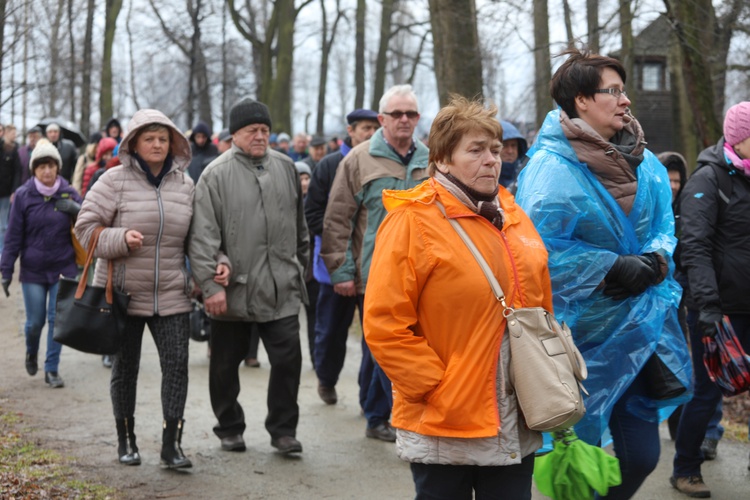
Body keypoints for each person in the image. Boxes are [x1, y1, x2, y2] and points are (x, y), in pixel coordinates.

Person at [514, 48, 691, 499]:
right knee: (577, 462)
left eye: (623, 89)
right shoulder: (550, 170)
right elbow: (536, 252)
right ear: (580, 101)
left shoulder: (646, 162)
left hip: (637, 333)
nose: (625, 100)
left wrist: (657, 258)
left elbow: (664, 225)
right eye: (611, 91)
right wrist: (610, 265)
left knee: (641, 457)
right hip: (577, 344)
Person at [364, 96, 549, 499]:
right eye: (476, 150)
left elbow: (539, 309)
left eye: (496, 150)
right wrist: (436, 387)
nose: (491, 160)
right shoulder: (413, 220)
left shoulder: (514, 218)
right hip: (446, 415)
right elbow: (384, 324)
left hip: (515, 412)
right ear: (443, 159)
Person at [75, 109, 197, 469]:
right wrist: (119, 239)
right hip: (122, 294)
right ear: (134, 144)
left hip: (173, 293)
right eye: (150, 139)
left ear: (172, 143)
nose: (157, 145)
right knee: (125, 369)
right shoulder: (113, 181)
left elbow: (199, 237)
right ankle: (125, 440)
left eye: (163, 139)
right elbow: (85, 229)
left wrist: (216, 262)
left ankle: (171, 446)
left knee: (177, 367)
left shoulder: (185, 184)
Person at [189, 97, 308, 456]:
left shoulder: (286, 167)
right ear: (235, 134)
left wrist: (299, 266)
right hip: (233, 289)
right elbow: (203, 235)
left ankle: (283, 430)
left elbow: (299, 223)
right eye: (252, 130)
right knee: (225, 365)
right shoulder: (215, 174)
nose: (260, 136)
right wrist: (210, 285)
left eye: (265, 130)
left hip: (281, 285)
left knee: (289, 361)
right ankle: (229, 427)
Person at [321, 84, 429, 441]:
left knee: (403, 346)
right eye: (396, 114)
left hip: (421, 274)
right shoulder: (358, 159)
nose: (403, 119)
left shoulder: (429, 159)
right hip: (374, 274)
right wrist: (342, 272)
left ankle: (380, 414)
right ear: (381, 119)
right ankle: (386, 417)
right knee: (382, 346)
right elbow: (338, 220)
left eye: (410, 113)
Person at [670, 101, 750, 497]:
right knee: (707, 392)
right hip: (717, 307)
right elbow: (695, 247)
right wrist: (707, 307)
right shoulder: (708, 180)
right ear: (740, 137)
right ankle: (685, 468)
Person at [304, 108, 380, 407]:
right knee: (332, 330)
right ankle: (326, 378)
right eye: (365, 128)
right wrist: (340, 252)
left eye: (375, 127)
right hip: (334, 266)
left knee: (374, 338)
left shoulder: (382, 164)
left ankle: (369, 399)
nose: (370, 134)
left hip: (373, 266)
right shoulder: (329, 165)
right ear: (351, 131)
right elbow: (313, 214)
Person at [1, 139, 82, 389]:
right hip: (33, 270)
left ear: (58, 167)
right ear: (34, 169)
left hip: (63, 268)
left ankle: (51, 369)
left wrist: (76, 209)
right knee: (35, 322)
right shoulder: (24, 196)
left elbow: (91, 221)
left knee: (57, 321)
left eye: (51, 166)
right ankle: (31, 350)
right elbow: (12, 236)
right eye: (41, 167)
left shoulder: (68, 192)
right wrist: (5, 271)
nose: (47, 171)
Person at [1, 124, 22, 255]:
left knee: (3, 225)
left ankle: (2, 251)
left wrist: (14, 190)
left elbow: (17, 171)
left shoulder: (13, 149)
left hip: (5, 192)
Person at [498, 120, 528, 191]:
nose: (510, 151)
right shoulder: (485, 179)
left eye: (513, 146)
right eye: (505, 145)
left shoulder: (526, 177)